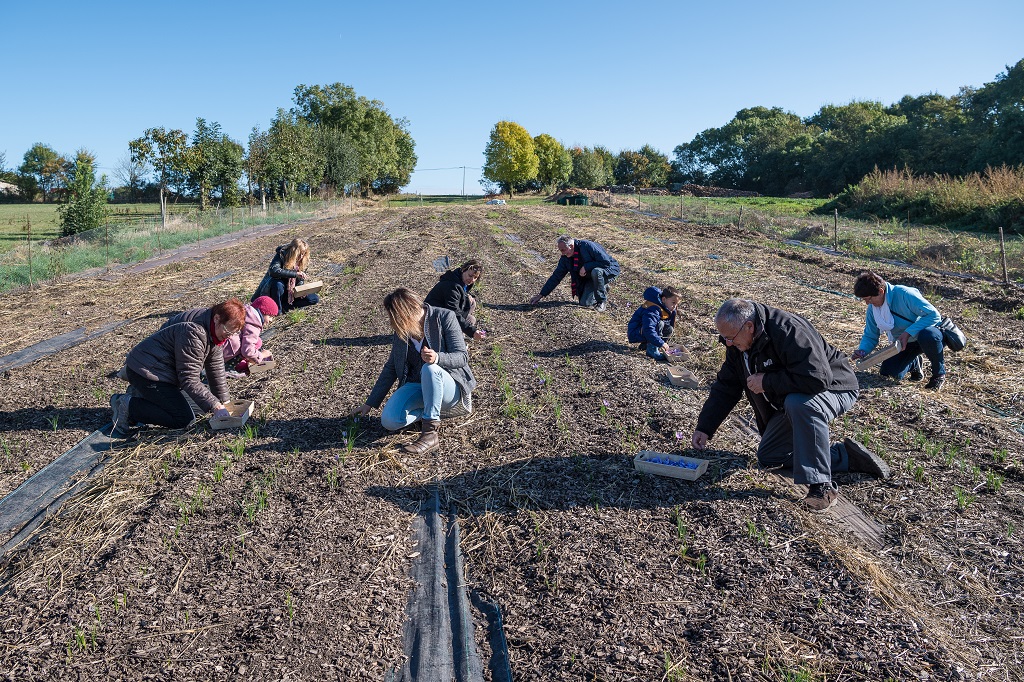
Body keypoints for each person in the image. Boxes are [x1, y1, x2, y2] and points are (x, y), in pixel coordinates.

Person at [691, 298, 890, 511]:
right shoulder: (739, 343)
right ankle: (847, 457)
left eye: (730, 338)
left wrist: (766, 382)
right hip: (794, 396)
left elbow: (817, 378)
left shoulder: (787, 330)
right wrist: (705, 427)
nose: (728, 343)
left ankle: (822, 486)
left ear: (749, 326)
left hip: (834, 387)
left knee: (801, 404)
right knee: (771, 457)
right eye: (724, 338)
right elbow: (726, 386)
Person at [349, 288, 477, 455]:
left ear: (410, 309)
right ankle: (427, 413)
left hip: (449, 387)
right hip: (419, 386)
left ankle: (430, 434)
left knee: (430, 369)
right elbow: (392, 366)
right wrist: (370, 402)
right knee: (390, 421)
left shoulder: (444, 316)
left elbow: (462, 357)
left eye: (398, 317)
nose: (396, 323)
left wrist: (438, 358)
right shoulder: (402, 329)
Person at [109, 299, 245, 437]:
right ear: (217, 318)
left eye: (233, 333)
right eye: (228, 331)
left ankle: (141, 395)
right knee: (183, 419)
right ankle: (127, 405)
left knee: (202, 406)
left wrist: (225, 402)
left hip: (163, 372)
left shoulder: (212, 329)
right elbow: (189, 379)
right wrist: (216, 406)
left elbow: (215, 367)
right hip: (148, 372)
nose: (229, 337)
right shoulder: (195, 332)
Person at [850, 271, 946, 391]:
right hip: (905, 343)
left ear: (881, 291)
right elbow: (871, 335)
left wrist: (908, 332)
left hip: (930, 334)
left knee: (928, 335)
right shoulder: (873, 310)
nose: (867, 303)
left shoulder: (904, 294)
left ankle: (939, 375)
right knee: (888, 373)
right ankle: (914, 363)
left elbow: (934, 315)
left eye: (869, 299)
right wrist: (862, 350)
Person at [528, 235, 620, 311]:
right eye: (560, 250)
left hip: (608, 270)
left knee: (596, 271)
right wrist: (541, 294)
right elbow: (556, 277)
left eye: (563, 250)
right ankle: (602, 286)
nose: (562, 253)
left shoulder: (587, 246)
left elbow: (606, 262)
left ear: (571, 246)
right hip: (589, 276)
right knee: (585, 304)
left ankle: (601, 301)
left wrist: (586, 266)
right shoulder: (565, 258)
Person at [252, 238, 320, 314]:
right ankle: (278, 310)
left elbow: (300, 281)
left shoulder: (302, 261)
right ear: (293, 251)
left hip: (290, 291)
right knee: (278, 284)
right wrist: (295, 274)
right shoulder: (281, 254)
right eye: (299, 253)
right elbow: (274, 271)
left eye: (303, 253)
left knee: (314, 298)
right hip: (276, 291)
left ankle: (285, 307)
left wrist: (301, 291)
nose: (301, 256)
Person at [424, 259, 486, 341]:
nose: (472, 280)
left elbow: (459, 295)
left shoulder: (459, 279)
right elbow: (453, 313)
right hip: (433, 318)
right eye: (470, 276)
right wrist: (472, 331)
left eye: (475, 278)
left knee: (471, 303)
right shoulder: (452, 286)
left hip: (443, 312)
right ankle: (454, 340)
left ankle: (458, 333)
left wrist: (466, 296)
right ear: (463, 270)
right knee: (470, 319)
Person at [223, 296, 278, 378]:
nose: (271, 320)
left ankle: (236, 362)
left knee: (257, 341)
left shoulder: (246, 313)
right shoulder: (253, 324)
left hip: (222, 346)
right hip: (223, 352)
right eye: (270, 316)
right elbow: (247, 351)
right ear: (262, 312)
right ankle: (227, 367)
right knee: (254, 344)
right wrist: (261, 355)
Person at [627, 286, 680, 361]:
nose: (675, 306)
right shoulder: (653, 309)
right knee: (660, 324)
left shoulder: (666, 308)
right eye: (673, 303)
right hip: (637, 332)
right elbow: (649, 328)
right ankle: (652, 349)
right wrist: (660, 342)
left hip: (646, 332)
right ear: (664, 299)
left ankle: (648, 345)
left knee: (669, 329)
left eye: (677, 304)